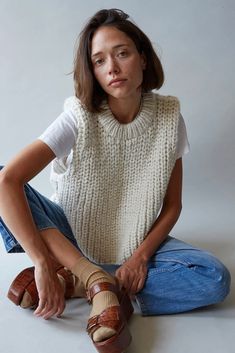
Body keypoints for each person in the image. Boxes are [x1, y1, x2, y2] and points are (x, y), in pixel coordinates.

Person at [0, 8, 231, 353]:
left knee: (215, 279)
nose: (112, 67)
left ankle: (82, 284)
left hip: (135, 241)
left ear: (142, 58)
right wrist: (42, 262)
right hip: (70, 234)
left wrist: (140, 258)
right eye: (99, 60)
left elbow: (172, 205)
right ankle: (92, 278)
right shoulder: (77, 118)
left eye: (122, 53)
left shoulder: (170, 119)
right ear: (92, 71)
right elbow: (9, 181)